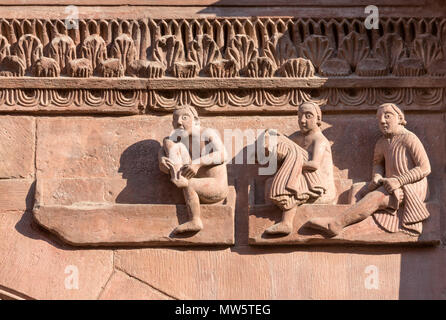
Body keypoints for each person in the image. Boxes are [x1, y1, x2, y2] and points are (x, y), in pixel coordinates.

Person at [307, 103, 431, 237]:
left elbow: (425, 168)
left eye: (387, 116)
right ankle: (354, 229)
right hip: (389, 184)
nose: (382, 120)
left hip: (411, 187)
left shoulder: (409, 138)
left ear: (400, 118)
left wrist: (399, 181)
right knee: (356, 190)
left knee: (375, 197)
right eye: (379, 118)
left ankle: (336, 224)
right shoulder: (381, 143)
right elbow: (378, 164)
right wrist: (376, 177)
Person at [264, 102, 336, 235]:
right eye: (299, 116)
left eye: (308, 116)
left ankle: (286, 222)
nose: (302, 120)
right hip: (308, 181)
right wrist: (274, 138)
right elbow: (287, 143)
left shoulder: (319, 139)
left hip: (321, 188)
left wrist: (293, 163)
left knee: (295, 180)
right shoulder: (298, 137)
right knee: (272, 181)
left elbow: (314, 165)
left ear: (318, 119)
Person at [158, 105, 229, 234]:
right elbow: (164, 149)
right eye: (175, 119)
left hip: (216, 185)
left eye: (184, 117)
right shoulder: (176, 139)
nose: (179, 122)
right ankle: (177, 175)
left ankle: (195, 220)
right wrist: (162, 160)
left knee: (189, 184)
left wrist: (197, 164)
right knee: (168, 142)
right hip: (196, 179)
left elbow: (223, 154)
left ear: (196, 120)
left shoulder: (207, 133)